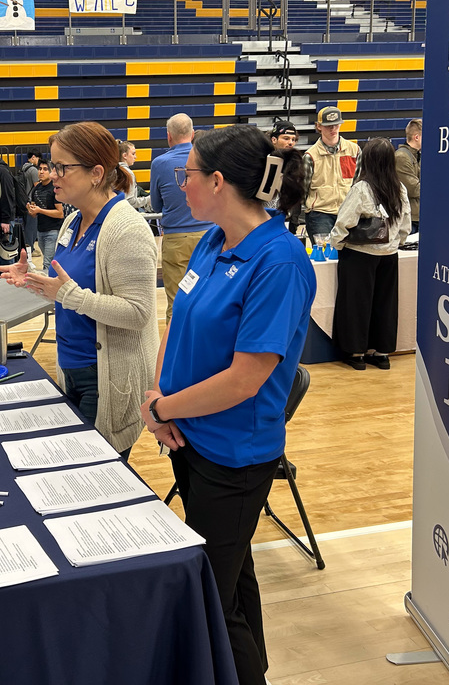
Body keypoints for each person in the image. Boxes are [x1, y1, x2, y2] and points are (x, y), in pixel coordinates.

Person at [139, 124, 316, 685]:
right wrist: (157, 396)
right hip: (190, 439)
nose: (178, 182)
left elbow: (245, 379)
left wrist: (166, 410)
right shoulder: (214, 240)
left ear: (217, 182)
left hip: (234, 455)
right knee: (232, 579)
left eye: (186, 173)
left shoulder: (280, 262)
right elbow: (179, 316)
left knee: (213, 598)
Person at [0, 121, 158, 459]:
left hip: (107, 380)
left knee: (91, 476)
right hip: (72, 370)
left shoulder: (127, 229)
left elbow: (138, 313)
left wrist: (68, 294)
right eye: (51, 165)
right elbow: (69, 287)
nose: (51, 174)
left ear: (96, 172)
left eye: (61, 167)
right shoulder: (73, 221)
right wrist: (33, 278)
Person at [330, 137, 412, 370]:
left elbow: (344, 222)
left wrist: (337, 244)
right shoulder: (400, 188)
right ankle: (382, 353)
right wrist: (396, 242)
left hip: (359, 254)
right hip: (389, 255)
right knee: (385, 303)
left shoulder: (362, 188)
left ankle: (356, 354)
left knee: (357, 303)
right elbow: (405, 224)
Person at [150, 113, 212, 324]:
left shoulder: (160, 163)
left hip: (176, 238)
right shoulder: (208, 158)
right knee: (208, 296)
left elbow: (156, 205)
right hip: (209, 235)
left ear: (169, 136)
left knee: (176, 302)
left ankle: (174, 353)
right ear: (193, 134)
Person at [301, 106, 362, 240]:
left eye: (335, 125)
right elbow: (303, 189)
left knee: (349, 256)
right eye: (328, 126)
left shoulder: (354, 150)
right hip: (320, 214)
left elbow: (357, 182)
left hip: (348, 212)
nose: (333, 129)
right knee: (323, 256)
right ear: (319, 126)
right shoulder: (310, 156)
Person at [26, 159, 64, 268]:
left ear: (51, 171)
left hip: (53, 231)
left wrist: (40, 210)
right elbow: (34, 213)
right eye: (40, 169)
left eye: (45, 169)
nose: (41, 172)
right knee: (48, 261)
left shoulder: (55, 188)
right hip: (40, 230)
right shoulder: (36, 188)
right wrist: (31, 209)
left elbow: (60, 213)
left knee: (48, 263)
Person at [395, 119, 422, 233]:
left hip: (417, 217)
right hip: (409, 220)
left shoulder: (417, 155)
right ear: (416, 137)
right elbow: (414, 190)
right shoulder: (401, 157)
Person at [117, 140, 152, 210]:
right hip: (124, 213)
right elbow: (130, 202)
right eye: (133, 154)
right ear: (124, 156)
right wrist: (149, 199)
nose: (135, 157)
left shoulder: (113, 170)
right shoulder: (127, 173)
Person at [20, 149, 43, 253]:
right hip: (31, 201)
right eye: (38, 159)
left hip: (24, 200)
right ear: (33, 157)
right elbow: (37, 185)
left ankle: (28, 247)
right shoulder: (33, 170)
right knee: (31, 227)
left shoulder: (24, 168)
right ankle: (31, 249)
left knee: (27, 226)